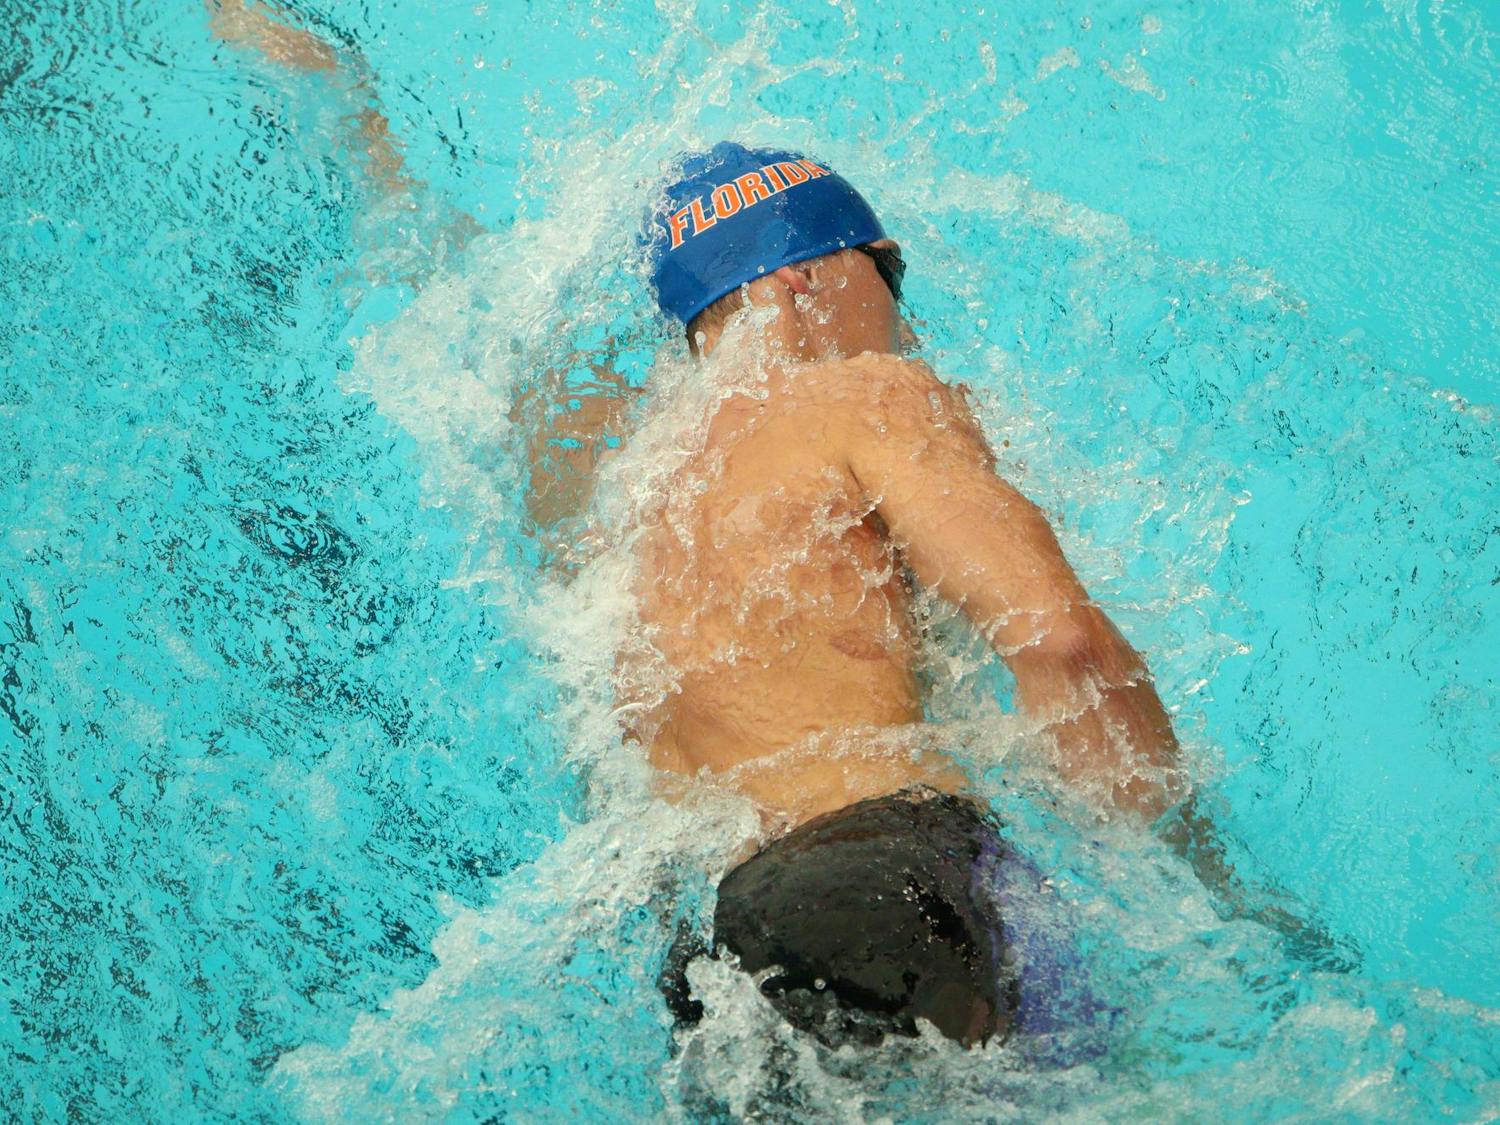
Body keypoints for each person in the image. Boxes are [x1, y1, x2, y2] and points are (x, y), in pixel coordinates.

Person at [209, 4, 1346, 1054]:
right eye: (886, 277)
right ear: (808, 280)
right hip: (891, 877)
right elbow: (1063, 645)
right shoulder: (860, 398)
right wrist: (1212, 894)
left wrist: (337, 89)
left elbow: (435, 270)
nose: (901, 319)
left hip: (714, 943)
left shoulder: (613, 477)